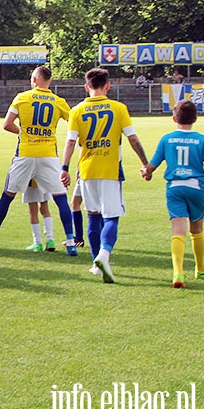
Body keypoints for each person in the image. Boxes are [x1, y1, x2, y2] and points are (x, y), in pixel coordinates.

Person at [61, 68, 149, 283]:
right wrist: (145, 164)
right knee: (111, 217)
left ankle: (96, 265)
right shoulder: (119, 108)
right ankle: (103, 255)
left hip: (87, 169)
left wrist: (64, 167)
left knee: (93, 216)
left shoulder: (77, 110)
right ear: (107, 86)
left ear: (86, 86)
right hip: (110, 169)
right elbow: (133, 139)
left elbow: (71, 141)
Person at [0, 66, 77, 254]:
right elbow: (74, 122)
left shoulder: (22, 97)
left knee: (7, 195)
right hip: (48, 155)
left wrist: (23, 132)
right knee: (60, 199)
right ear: (49, 81)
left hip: (25, 153)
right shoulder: (58, 101)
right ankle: (70, 243)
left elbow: (7, 124)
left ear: (34, 80)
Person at [141, 100, 204, 288]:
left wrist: (146, 172)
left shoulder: (167, 139)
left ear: (173, 118)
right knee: (197, 229)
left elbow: (151, 166)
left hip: (175, 188)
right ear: (195, 118)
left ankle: (178, 273)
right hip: (196, 188)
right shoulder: (202, 140)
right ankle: (199, 268)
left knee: (178, 230)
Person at [23, 181, 55, 251]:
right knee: (45, 208)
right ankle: (50, 240)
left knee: (33, 211)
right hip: (44, 180)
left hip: (32, 181)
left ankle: (37, 243)